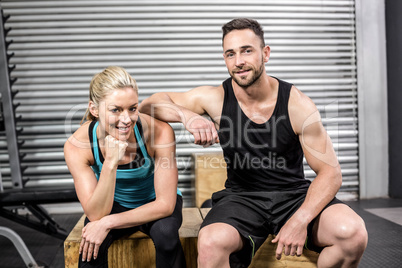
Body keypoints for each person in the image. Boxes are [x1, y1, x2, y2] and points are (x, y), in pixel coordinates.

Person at [140, 18, 368, 268]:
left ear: (265, 53)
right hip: (241, 199)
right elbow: (149, 105)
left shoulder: (297, 104)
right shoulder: (215, 98)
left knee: (353, 233)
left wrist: (300, 220)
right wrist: (188, 116)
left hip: (293, 197)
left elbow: (331, 173)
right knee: (209, 243)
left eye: (247, 50)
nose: (238, 61)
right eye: (230, 54)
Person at [64, 66, 186, 268]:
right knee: (91, 247)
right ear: (94, 110)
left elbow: (165, 204)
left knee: (167, 236)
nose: (126, 119)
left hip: (154, 202)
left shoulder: (159, 132)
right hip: (112, 204)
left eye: (132, 108)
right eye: (115, 110)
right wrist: (110, 162)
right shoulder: (77, 146)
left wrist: (107, 223)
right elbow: (95, 214)